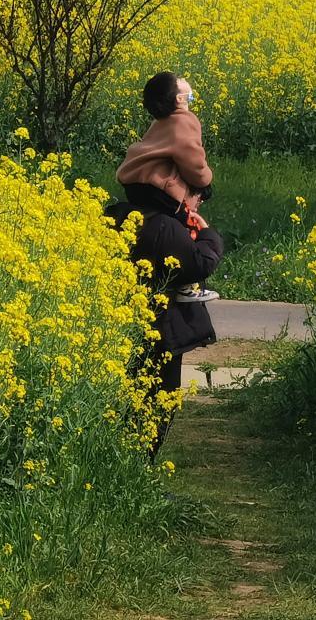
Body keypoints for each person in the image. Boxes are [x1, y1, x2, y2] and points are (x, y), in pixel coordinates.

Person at [105, 184, 224, 457]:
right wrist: (207, 234)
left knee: (133, 402)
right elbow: (199, 264)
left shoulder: (118, 214)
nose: (199, 203)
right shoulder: (164, 225)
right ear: (180, 190)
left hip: (119, 327)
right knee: (159, 403)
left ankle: (127, 471)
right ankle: (137, 473)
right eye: (197, 195)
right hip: (161, 332)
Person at [117, 71, 218, 302]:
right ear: (179, 100)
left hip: (136, 186)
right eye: (188, 95)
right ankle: (186, 286)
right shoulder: (184, 120)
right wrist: (206, 181)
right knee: (186, 227)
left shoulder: (160, 121)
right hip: (158, 190)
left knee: (158, 230)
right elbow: (193, 161)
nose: (185, 81)